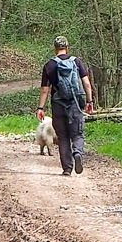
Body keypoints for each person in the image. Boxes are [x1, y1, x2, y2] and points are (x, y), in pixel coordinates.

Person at [38, 35, 96, 176]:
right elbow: (87, 83)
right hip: (75, 103)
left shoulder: (49, 65)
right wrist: (89, 101)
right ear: (67, 47)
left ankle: (67, 169)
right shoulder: (76, 62)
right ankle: (77, 153)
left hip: (58, 104)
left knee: (63, 137)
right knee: (77, 134)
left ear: (54, 48)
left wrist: (40, 108)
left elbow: (45, 89)